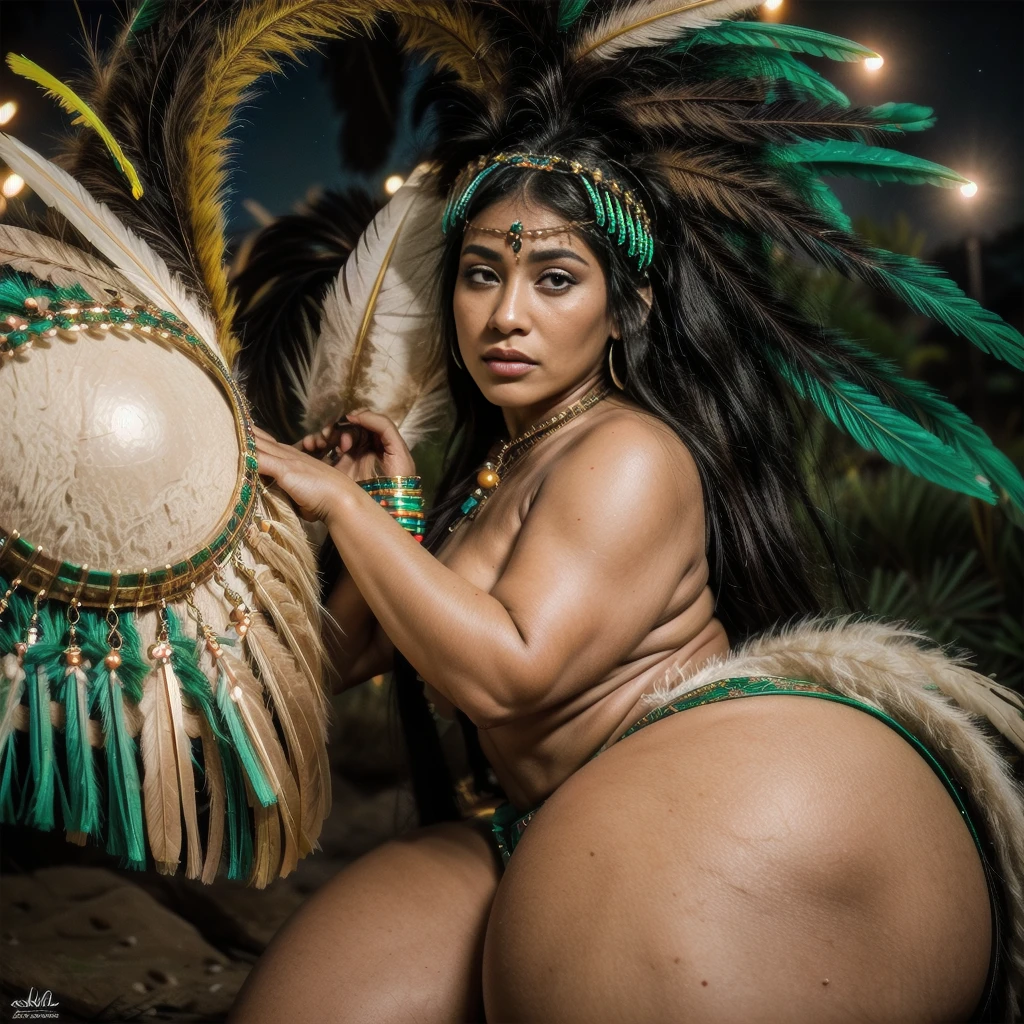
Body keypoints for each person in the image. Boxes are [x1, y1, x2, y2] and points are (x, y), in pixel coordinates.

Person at [232, 165, 1018, 1020]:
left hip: (681, 805)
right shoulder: (497, 471)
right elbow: (342, 659)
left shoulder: (629, 450)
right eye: (482, 274)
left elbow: (507, 673)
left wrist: (343, 507)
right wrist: (385, 506)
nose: (506, 315)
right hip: (534, 823)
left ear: (627, 310)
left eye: (556, 279)